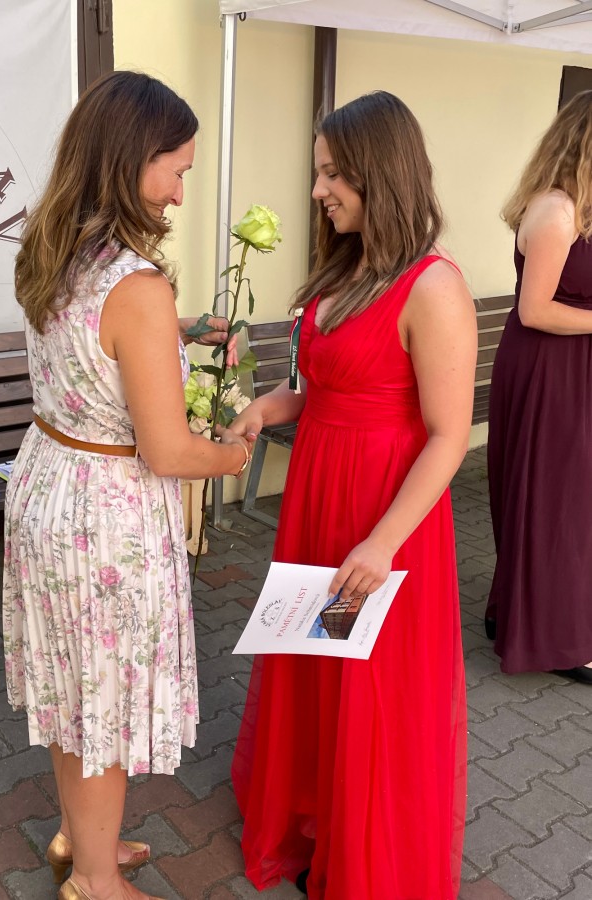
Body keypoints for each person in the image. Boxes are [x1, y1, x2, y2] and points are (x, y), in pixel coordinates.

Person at [2, 71, 252, 900]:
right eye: (175, 171)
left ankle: (79, 838)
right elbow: (169, 451)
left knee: (72, 689)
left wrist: (176, 332)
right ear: (130, 160)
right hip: (105, 513)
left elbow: (89, 335)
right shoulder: (137, 287)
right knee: (101, 699)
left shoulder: (53, 249)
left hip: (47, 484)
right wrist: (233, 455)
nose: (180, 193)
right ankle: (95, 879)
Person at [229, 91, 476, 899]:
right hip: (318, 504)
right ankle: (320, 813)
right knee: (319, 663)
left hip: (381, 518)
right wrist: (269, 407)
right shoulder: (346, 267)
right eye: (318, 173)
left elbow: (446, 434)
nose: (317, 191)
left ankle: (365, 851)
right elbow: (327, 390)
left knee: (370, 682)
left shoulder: (432, 286)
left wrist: (381, 543)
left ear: (381, 172)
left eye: (333, 173)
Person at [485, 91, 592, 683]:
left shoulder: (579, 208)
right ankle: (554, 638)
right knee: (555, 500)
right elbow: (536, 310)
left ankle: (521, 612)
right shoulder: (555, 211)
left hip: (571, 367)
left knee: (567, 499)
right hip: (549, 369)